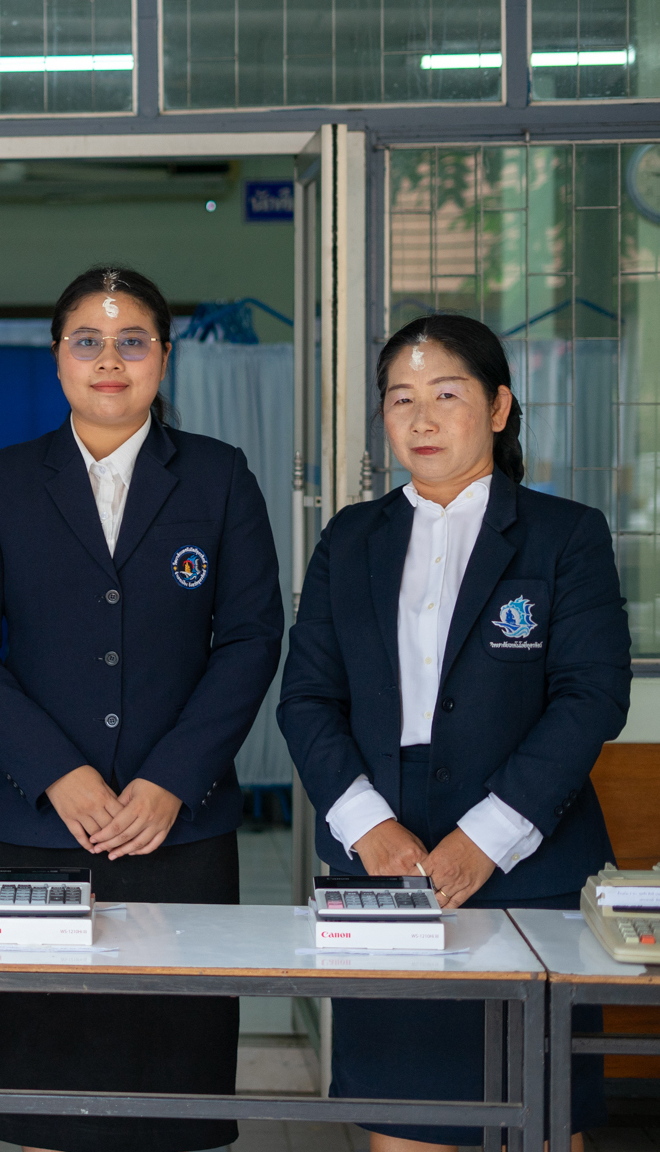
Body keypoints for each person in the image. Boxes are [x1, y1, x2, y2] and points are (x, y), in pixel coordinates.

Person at [0, 266, 284, 1152]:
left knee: (174, 1077)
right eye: (88, 341)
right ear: (57, 360)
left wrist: (171, 779)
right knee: (43, 1078)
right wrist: (56, 773)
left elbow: (250, 638)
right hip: (33, 824)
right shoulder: (2, 481)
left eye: (133, 342)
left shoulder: (219, 477)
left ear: (164, 358)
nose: (110, 360)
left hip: (180, 831)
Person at [279, 313, 626, 1152]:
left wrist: (486, 838)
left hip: (532, 870)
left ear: (499, 407)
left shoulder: (563, 535)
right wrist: (369, 830)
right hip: (383, 869)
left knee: (540, 1116)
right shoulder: (350, 538)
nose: (422, 420)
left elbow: (591, 698)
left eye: (446, 395)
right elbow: (307, 699)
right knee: (404, 1119)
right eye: (401, 399)